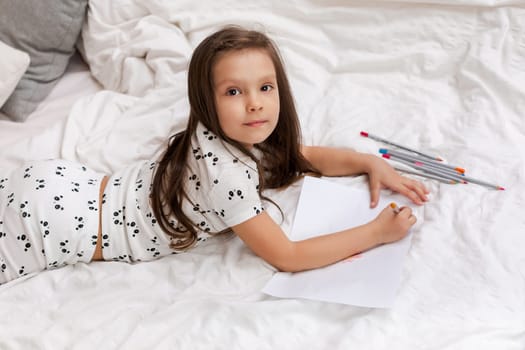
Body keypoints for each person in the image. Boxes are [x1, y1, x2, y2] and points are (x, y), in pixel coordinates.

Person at [0, 26, 428, 285]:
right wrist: (375, 234)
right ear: (207, 99)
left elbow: (298, 156)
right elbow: (287, 256)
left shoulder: (223, 130)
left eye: (265, 87)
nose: (255, 104)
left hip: (64, 185)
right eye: (234, 92)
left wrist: (366, 161)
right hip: (56, 224)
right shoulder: (227, 177)